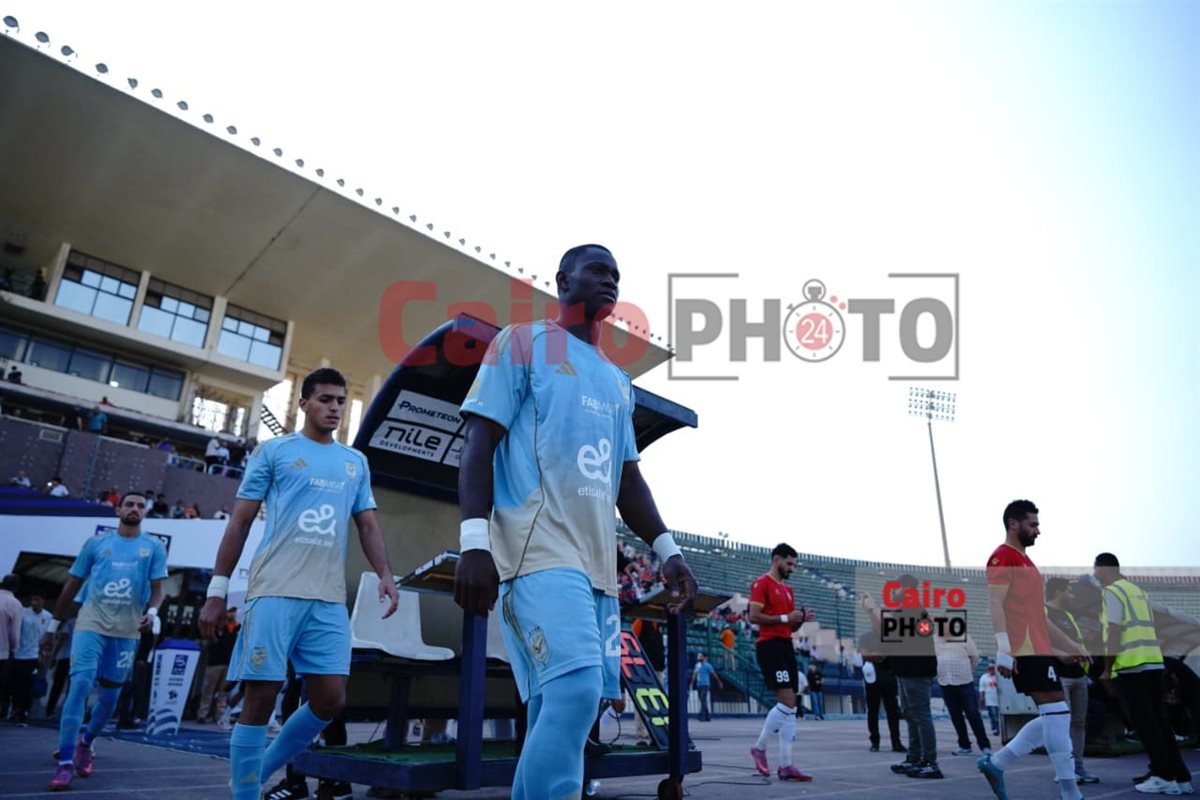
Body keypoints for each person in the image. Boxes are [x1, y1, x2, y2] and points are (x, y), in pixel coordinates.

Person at [452, 244, 697, 800]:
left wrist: (669, 551)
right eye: (597, 270)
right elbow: (479, 441)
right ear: (563, 280)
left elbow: (626, 480)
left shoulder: (616, 380)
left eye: (616, 274)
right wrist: (474, 543)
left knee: (555, 706)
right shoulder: (520, 342)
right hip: (534, 552)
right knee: (576, 694)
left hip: (596, 572)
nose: (609, 281)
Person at [198, 367, 399, 800]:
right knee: (260, 698)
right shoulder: (274, 452)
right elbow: (240, 523)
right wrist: (217, 590)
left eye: (341, 401)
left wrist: (385, 573)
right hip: (274, 591)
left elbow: (367, 526)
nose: (334, 408)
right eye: (325, 399)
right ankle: (246, 793)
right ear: (303, 403)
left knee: (330, 700)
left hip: (327, 599)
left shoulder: (354, 462)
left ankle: (252, 776)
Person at [41, 492, 167, 790]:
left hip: (126, 632)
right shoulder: (96, 544)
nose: (134, 509)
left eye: (140, 506)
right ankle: (65, 763)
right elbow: (71, 585)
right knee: (81, 685)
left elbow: (158, 590)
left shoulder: (153, 547)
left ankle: (86, 741)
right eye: (129, 504)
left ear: (145, 512)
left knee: (109, 698)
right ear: (118, 509)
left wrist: (151, 612)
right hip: (90, 624)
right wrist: (54, 625)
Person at [976, 500, 1090, 800]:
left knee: (1056, 715)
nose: (1038, 530)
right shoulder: (1002, 558)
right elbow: (994, 604)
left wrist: (1068, 645)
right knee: (1057, 713)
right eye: (1032, 524)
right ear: (1013, 524)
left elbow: (1037, 615)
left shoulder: (1026, 563)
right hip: (1023, 649)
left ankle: (996, 764)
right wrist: (1004, 649)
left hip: (1038, 648)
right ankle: (1070, 792)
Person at [1093, 552, 1192, 794]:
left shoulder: (1112, 592)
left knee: (1145, 724)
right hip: (1153, 663)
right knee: (1160, 722)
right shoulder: (1138, 592)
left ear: (1105, 568)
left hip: (1131, 665)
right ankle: (1181, 778)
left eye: (1095, 569)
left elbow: (1114, 632)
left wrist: (1107, 669)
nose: (1094, 575)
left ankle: (1162, 775)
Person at [862, 575, 942, 779]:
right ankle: (914, 758)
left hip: (916, 669)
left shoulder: (913, 608)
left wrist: (874, 609)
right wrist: (870, 611)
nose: (892, 592)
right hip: (906, 669)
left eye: (895, 588)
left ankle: (930, 762)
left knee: (920, 713)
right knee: (910, 713)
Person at [747, 542, 814, 781]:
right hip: (769, 646)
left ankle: (786, 764)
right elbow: (754, 616)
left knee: (792, 706)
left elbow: (789, 626)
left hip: (786, 645)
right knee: (786, 701)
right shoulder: (761, 583)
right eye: (789, 563)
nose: (792, 568)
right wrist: (787, 616)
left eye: (794, 564)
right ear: (777, 560)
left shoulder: (788, 590)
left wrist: (800, 620)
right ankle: (759, 747)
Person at [1044, 577, 1099, 784]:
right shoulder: (1043, 612)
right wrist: (1058, 653)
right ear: (1058, 592)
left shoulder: (1068, 615)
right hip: (1058, 675)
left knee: (1078, 723)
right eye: (1069, 591)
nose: (1072, 596)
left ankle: (1079, 767)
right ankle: (1064, 769)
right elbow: (1037, 640)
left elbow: (1074, 642)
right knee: (1061, 724)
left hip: (1078, 675)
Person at [936, 632, 992, 756]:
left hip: (964, 681)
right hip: (945, 682)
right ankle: (964, 745)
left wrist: (967, 671)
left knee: (973, 713)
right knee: (955, 715)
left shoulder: (963, 637)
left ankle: (985, 746)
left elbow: (975, 657)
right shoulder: (934, 640)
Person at [858, 632, 905, 753]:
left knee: (893, 711)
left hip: (889, 677)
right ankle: (875, 742)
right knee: (873, 711)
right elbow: (864, 654)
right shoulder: (866, 637)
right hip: (871, 677)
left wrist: (876, 655)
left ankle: (896, 742)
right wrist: (880, 655)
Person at [10, 593, 53, 723]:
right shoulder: (23, 613)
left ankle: (24, 711)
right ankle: (15, 708)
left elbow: (49, 636)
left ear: (43, 601)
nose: (34, 602)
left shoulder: (48, 616)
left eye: (37, 599)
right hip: (18, 654)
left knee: (28, 685)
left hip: (34, 656)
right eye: (32, 599)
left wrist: (45, 653)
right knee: (16, 684)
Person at [196, 606, 239, 723]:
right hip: (214, 662)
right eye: (230, 611)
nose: (232, 614)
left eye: (233, 612)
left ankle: (219, 715)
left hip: (228, 663)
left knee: (224, 691)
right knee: (208, 690)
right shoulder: (214, 627)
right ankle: (202, 714)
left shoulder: (235, 627)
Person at [44, 617, 75, 718]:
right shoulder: (86, 621)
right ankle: (68, 710)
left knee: (58, 684)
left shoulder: (70, 622)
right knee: (71, 686)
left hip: (65, 656)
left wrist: (55, 654)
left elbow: (63, 638)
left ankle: (50, 709)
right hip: (76, 658)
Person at [691, 652, 723, 722]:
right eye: (699, 656)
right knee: (703, 700)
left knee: (703, 698)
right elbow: (694, 674)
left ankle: (701, 716)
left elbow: (714, 674)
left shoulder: (708, 666)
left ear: (705, 658)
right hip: (699, 684)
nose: (699, 658)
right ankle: (707, 716)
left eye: (701, 656)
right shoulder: (697, 665)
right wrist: (692, 682)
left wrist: (719, 682)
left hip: (705, 684)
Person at [978, 663, 1000, 736]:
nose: (991, 670)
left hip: (998, 700)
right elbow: (982, 688)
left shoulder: (998, 676)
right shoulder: (984, 677)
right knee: (993, 715)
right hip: (989, 700)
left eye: (993, 668)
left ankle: (999, 728)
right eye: (990, 668)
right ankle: (995, 728)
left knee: (998, 715)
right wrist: (982, 697)